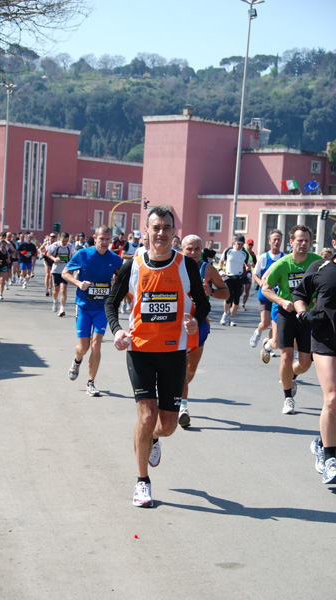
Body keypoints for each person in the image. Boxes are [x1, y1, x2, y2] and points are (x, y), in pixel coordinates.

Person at [105, 206, 210, 508]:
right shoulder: (133, 264)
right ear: (146, 230)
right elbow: (112, 303)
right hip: (139, 351)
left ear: (174, 231)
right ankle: (142, 483)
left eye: (166, 227)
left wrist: (194, 320)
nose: (161, 233)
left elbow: (203, 305)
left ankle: (152, 439)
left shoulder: (186, 265)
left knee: (167, 426)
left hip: (173, 353)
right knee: (146, 416)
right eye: (156, 227)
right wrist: (116, 331)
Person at [293, 219, 336, 485]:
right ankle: (330, 460)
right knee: (332, 398)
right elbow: (299, 294)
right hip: (325, 340)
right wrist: (303, 314)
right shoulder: (321, 267)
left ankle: (320, 441)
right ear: (334, 243)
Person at [262, 225, 322, 415]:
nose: (303, 244)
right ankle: (288, 398)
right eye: (299, 240)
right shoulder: (282, 264)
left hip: (307, 314)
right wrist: (281, 301)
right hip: (286, 313)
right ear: (291, 242)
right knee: (286, 356)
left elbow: (325, 284)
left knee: (305, 363)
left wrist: (317, 298)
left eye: (307, 240)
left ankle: (291, 376)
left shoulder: (317, 262)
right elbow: (266, 288)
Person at [62, 226, 122, 396]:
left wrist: (115, 284)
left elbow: (121, 278)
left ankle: (91, 383)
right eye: (101, 239)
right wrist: (79, 283)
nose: (104, 243)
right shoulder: (83, 254)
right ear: (95, 238)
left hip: (102, 308)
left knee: (96, 345)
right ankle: (77, 360)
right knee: (84, 347)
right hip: (83, 306)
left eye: (108, 239)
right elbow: (66, 273)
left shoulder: (115, 259)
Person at [178, 234, 229, 428]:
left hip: (199, 322)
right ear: (182, 249)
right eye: (188, 249)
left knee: (191, 369)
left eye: (196, 249)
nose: (192, 252)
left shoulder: (207, 269)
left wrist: (212, 292)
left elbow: (226, 292)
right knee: (181, 368)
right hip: (177, 324)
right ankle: (183, 407)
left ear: (201, 250)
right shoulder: (175, 265)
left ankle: (179, 389)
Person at [250, 229, 284, 348]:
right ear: (269, 241)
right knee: (265, 323)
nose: (276, 241)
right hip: (265, 294)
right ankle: (258, 332)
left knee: (276, 323)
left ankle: (269, 344)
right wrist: (260, 283)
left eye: (278, 239)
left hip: (279, 296)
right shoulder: (264, 257)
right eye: (274, 239)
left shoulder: (284, 258)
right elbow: (255, 273)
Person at [218, 234, 251, 326]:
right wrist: (220, 270)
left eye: (242, 244)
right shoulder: (228, 251)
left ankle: (232, 318)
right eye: (238, 243)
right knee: (228, 298)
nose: (240, 246)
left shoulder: (244, 253)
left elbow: (248, 265)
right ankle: (225, 314)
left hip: (239, 277)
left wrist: (248, 273)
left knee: (236, 299)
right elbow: (221, 261)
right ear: (234, 242)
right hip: (228, 277)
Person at [46, 232, 75, 316]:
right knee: (56, 289)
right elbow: (47, 253)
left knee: (63, 289)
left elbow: (72, 258)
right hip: (56, 270)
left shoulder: (70, 246)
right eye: (63, 241)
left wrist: (71, 268)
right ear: (60, 239)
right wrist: (54, 259)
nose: (64, 243)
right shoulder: (55, 245)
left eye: (66, 241)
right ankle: (55, 301)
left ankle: (62, 309)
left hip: (65, 271)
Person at [241, 239, 257, 310]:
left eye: (251, 245)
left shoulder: (253, 254)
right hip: (242, 272)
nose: (250, 246)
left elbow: (255, 265)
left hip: (249, 273)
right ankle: (235, 302)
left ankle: (243, 305)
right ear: (246, 244)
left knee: (247, 289)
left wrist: (253, 265)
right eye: (249, 244)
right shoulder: (243, 252)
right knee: (241, 290)